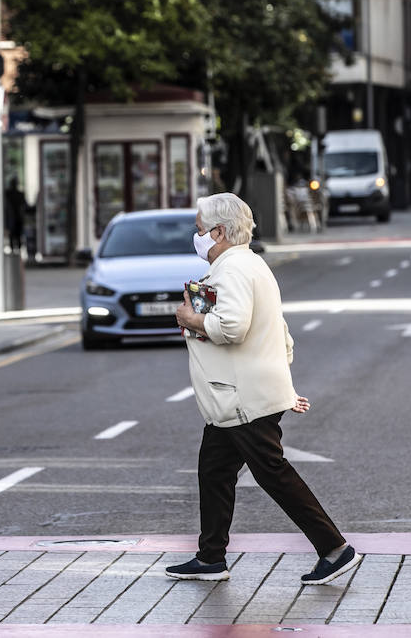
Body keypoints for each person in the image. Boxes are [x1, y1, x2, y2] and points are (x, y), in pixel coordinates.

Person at [167, 192, 360, 586]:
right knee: (214, 471)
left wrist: (191, 318)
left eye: (200, 229)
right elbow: (279, 334)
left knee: (273, 473)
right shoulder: (251, 264)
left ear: (219, 232)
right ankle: (210, 558)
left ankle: (334, 549)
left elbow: (233, 328)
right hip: (239, 395)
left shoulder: (231, 270)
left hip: (241, 397)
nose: (197, 235)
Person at [4, 176, 28, 251]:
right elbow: (25, 206)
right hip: (18, 218)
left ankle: (14, 251)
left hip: (11, 219)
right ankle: (18, 252)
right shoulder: (20, 194)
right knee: (18, 236)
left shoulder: (7, 194)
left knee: (12, 237)